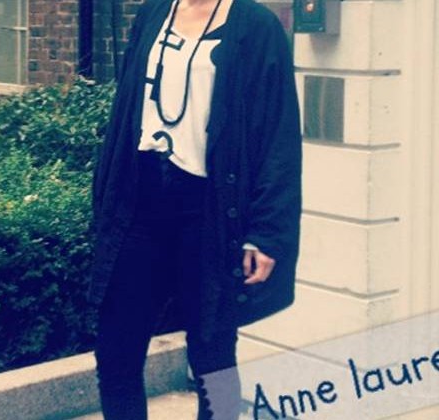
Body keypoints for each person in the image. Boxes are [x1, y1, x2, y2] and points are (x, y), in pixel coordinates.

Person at [88, 0, 302, 417]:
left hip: (210, 212)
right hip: (140, 205)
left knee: (212, 359)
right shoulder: (153, 14)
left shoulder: (256, 26)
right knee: (115, 352)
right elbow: (125, 112)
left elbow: (279, 137)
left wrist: (267, 233)